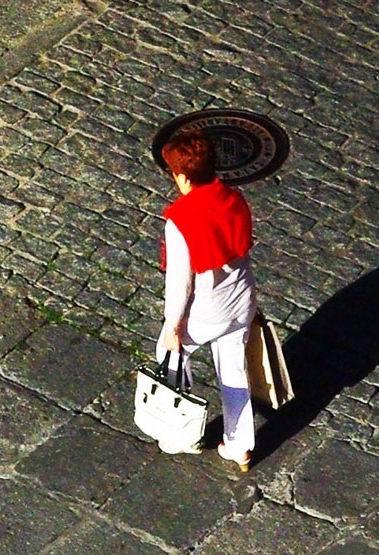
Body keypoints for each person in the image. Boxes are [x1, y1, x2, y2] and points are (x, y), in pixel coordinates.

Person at [155, 130, 256, 471]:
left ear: (182, 177)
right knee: (234, 369)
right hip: (241, 299)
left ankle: (178, 434)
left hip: (207, 309)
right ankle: (239, 444)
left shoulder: (181, 219)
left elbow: (180, 282)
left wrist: (172, 325)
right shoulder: (234, 198)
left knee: (170, 357)